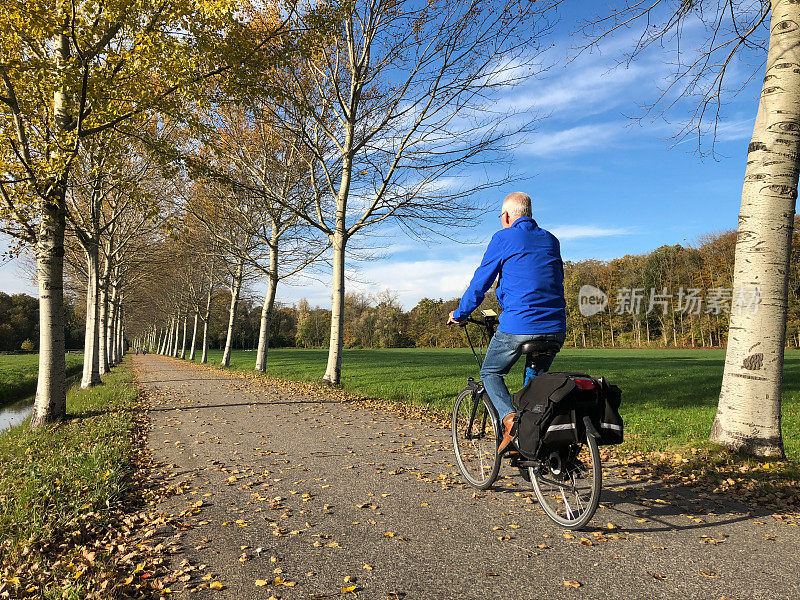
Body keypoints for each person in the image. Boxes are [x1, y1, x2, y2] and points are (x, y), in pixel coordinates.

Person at [447, 192, 567, 453]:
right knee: (534, 389)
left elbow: (481, 282)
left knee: (490, 372)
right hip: (556, 327)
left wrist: (460, 313)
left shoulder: (503, 237)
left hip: (519, 325)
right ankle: (533, 440)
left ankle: (510, 422)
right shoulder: (551, 239)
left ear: (506, 216)